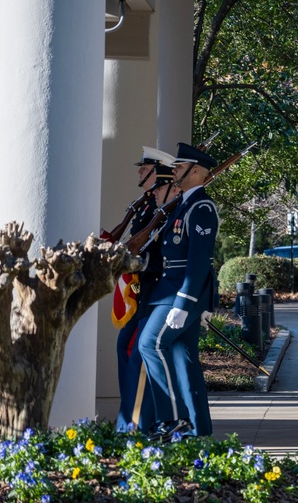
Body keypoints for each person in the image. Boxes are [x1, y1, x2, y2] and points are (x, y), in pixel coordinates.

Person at [137, 142, 219, 440]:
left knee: (150, 344)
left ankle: (173, 419)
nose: (174, 171)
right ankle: (199, 430)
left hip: (182, 293)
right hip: (170, 290)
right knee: (185, 361)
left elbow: (198, 262)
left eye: (180, 167)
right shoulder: (183, 204)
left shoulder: (202, 207)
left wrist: (184, 302)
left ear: (195, 171)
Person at [116, 147, 177, 433]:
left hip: (159, 296)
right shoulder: (148, 207)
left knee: (138, 355)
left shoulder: (169, 211)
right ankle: (129, 417)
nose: (139, 173)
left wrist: (138, 263)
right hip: (144, 294)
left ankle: (137, 425)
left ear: (160, 176)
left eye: (145, 169)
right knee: (125, 349)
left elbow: (166, 258)